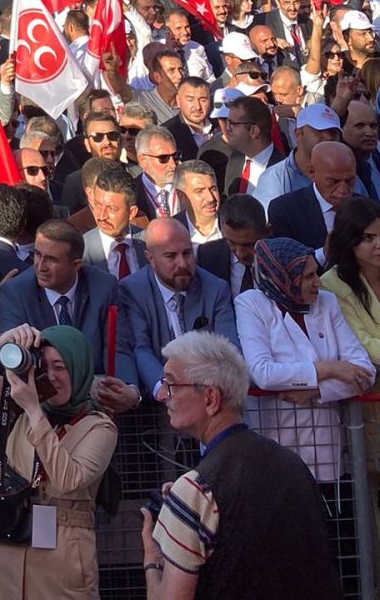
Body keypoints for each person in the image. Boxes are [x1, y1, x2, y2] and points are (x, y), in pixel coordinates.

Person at [145, 330, 343, 600]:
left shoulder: (196, 488)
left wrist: (152, 558)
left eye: (171, 383)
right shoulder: (293, 465)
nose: (163, 395)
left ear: (211, 398)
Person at [0, 322, 118, 600]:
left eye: (60, 367)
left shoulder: (100, 427)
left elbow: (69, 479)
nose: (51, 376)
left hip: (62, 549)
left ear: (78, 369)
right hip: (7, 536)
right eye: (44, 365)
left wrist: (34, 410)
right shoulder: (20, 401)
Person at [235, 235, 373, 481]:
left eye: (315, 273)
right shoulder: (251, 303)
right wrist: (328, 369)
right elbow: (263, 373)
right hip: (277, 443)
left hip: (325, 444)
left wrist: (317, 392)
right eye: (308, 276)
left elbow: (364, 370)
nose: (318, 283)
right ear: (283, 277)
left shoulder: (327, 302)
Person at [0, 221, 134, 401]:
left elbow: (119, 348)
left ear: (76, 265)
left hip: (98, 403)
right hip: (44, 402)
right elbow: (14, 357)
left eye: (51, 259)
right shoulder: (15, 292)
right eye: (37, 255)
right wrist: (82, 385)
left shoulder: (104, 287)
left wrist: (127, 389)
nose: (40, 266)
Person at [117, 218, 239, 397]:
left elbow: (229, 348)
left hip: (208, 393)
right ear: (150, 258)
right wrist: (164, 388)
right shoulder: (132, 291)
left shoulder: (216, 289)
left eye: (187, 253)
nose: (182, 263)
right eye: (171, 256)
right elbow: (140, 348)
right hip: (158, 402)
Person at [321, 195, 380, 532]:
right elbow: (363, 346)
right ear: (349, 238)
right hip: (364, 415)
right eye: (368, 238)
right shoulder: (333, 285)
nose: (378, 245)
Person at [267, 141, 358, 253]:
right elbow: (284, 264)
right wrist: (324, 254)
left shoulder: (368, 210)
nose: (343, 190)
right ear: (311, 172)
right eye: (334, 181)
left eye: (349, 181)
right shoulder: (285, 210)